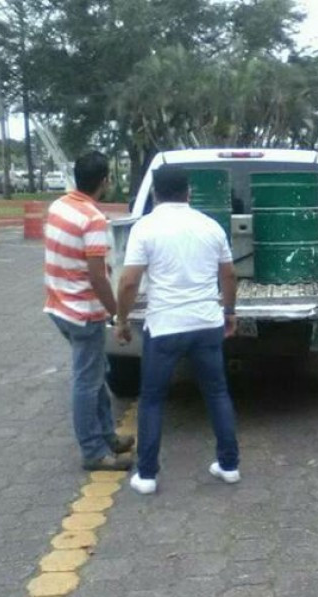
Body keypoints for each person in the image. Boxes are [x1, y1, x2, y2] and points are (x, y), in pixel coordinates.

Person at [115, 166, 240, 495]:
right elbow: (229, 277)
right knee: (217, 394)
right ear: (189, 192)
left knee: (153, 399)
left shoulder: (145, 228)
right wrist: (229, 312)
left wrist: (122, 320)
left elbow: (129, 282)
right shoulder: (210, 226)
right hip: (206, 323)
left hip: (166, 326)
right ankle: (229, 466)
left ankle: (147, 475)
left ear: (155, 193)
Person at [44, 151, 134, 471]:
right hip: (83, 312)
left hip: (59, 307)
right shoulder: (92, 219)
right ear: (105, 181)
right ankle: (94, 451)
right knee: (88, 381)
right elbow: (98, 276)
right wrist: (118, 315)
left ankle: (107, 436)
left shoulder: (59, 206)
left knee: (94, 376)